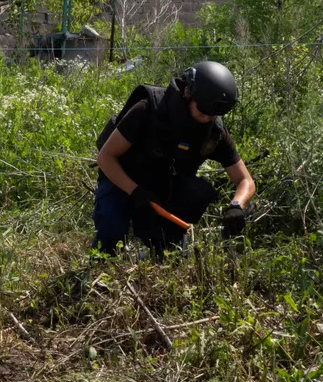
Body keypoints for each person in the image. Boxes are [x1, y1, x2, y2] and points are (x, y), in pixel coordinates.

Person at [93, 60, 255, 255]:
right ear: (188, 93)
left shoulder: (214, 132)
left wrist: (237, 205)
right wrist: (135, 191)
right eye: (203, 112)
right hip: (121, 178)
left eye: (213, 115)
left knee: (194, 198)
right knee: (112, 231)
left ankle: (162, 244)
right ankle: (100, 262)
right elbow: (106, 158)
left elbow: (245, 180)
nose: (207, 119)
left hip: (159, 188)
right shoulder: (148, 109)